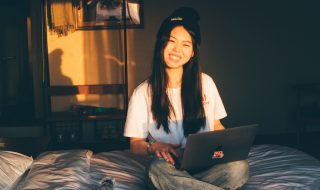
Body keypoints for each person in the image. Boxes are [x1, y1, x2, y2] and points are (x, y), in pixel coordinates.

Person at [124, 7, 249, 190]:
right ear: (161, 44)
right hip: (168, 166)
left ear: (193, 53)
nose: (177, 50)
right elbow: (135, 144)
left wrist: (227, 147)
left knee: (240, 167)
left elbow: (215, 125)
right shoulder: (143, 92)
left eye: (186, 44)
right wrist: (154, 146)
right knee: (155, 171)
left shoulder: (205, 82)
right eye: (171, 41)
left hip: (205, 163)